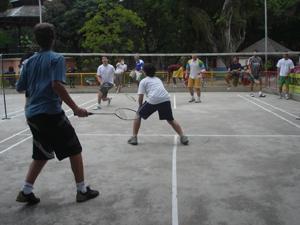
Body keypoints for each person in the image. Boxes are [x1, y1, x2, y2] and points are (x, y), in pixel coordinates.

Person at [15, 23, 99, 205]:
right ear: (53, 39)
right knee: (75, 149)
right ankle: (82, 190)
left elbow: (19, 88)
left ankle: (26, 191)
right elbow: (56, 85)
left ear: (37, 41)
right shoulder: (56, 58)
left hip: (32, 115)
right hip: (50, 114)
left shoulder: (28, 62)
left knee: (41, 153)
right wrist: (76, 109)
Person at [127, 63, 189, 146]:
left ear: (144, 72)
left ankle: (134, 137)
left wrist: (140, 107)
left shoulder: (143, 81)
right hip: (165, 98)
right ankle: (183, 136)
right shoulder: (157, 79)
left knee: (138, 115)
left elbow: (141, 97)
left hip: (153, 100)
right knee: (170, 120)